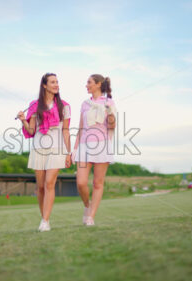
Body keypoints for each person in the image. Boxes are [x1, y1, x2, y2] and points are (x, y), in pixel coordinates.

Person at [17, 73, 72, 232]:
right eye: (53, 82)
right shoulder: (34, 105)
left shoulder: (64, 106)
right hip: (38, 148)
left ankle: (45, 221)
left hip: (57, 148)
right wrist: (23, 120)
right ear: (44, 85)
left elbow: (66, 131)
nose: (56, 85)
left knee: (49, 184)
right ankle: (44, 219)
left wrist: (68, 152)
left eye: (57, 82)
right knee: (40, 187)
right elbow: (32, 130)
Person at [72, 74, 116, 226]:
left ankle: (91, 217)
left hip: (102, 145)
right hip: (84, 146)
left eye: (89, 82)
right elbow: (81, 127)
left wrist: (110, 113)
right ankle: (86, 205)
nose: (86, 85)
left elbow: (112, 126)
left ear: (98, 84)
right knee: (81, 182)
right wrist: (74, 149)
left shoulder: (109, 101)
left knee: (98, 183)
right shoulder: (85, 104)